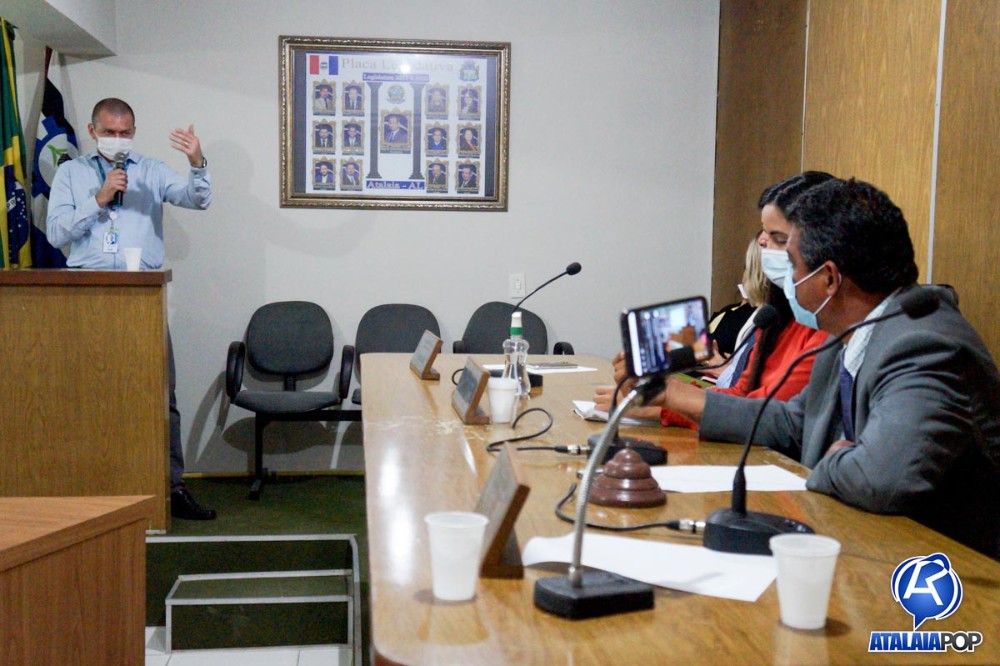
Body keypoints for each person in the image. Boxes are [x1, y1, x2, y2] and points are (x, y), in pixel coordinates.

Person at [697, 178, 999, 557]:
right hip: (877, 543)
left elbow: (881, 479)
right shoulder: (853, 331)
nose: (790, 279)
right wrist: (681, 401)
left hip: (950, 569)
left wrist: (829, 459)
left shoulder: (924, 343)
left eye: (793, 265)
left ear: (829, 278)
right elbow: (795, 422)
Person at [46, 97, 216, 520]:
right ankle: (88, 486)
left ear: (134, 133)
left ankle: (171, 487)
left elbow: (197, 200)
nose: (117, 140)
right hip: (86, 296)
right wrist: (99, 199)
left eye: (125, 133)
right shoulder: (71, 173)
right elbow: (55, 234)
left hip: (143, 296)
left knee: (161, 394)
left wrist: (197, 162)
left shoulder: (151, 171)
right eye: (109, 132)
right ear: (92, 131)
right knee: (86, 392)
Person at [595, 172, 833, 424]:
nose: (762, 242)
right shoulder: (776, 317)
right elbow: (740, 396)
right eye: (764, 232)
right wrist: (659, 397)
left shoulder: (826, 328)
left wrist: (663, 399)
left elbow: (764, 417)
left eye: (779, 238)